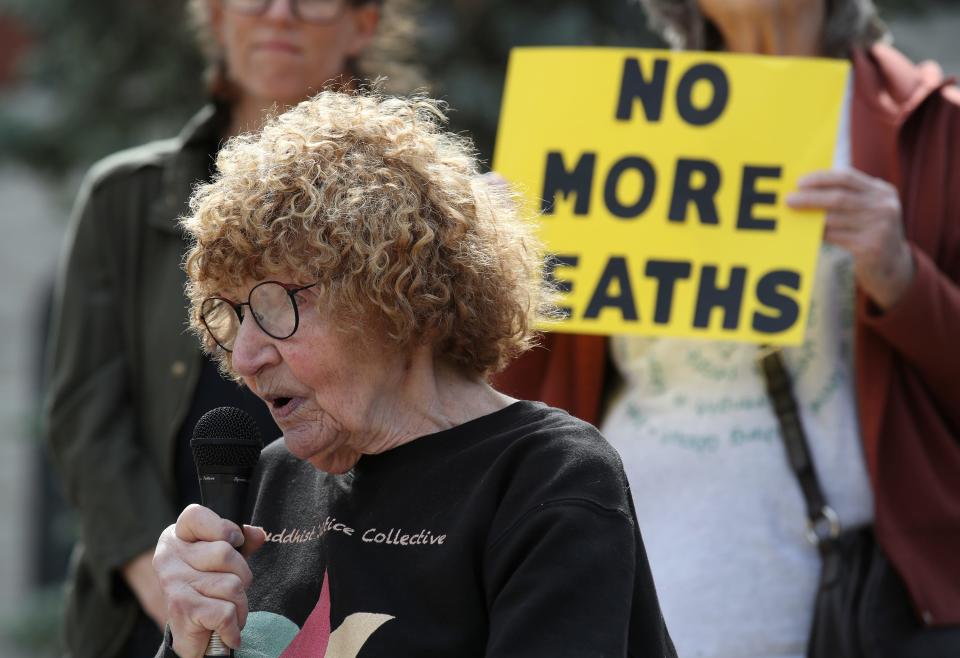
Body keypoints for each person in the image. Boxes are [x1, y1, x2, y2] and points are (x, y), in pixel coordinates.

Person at [493, 0, 960, 656]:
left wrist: (903, 279)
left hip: (846, 601)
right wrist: (494, 272)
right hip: (626, 575)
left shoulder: (934, 128)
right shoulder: (603, 122)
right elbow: (512, 387)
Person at [149, 90, 677, 658]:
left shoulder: (545, 475)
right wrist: (187, 641)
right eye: (232, 316)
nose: (246, 358)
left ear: (395, 296)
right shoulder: (274, 478)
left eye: (278, 306)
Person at [44, 1, 419, 655]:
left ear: (362, 23)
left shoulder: (421, 205)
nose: (280, 14)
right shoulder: (125, 199)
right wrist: (175, 599)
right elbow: (86, 422)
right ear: (216, 18)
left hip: (353, 611)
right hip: (153, 615)